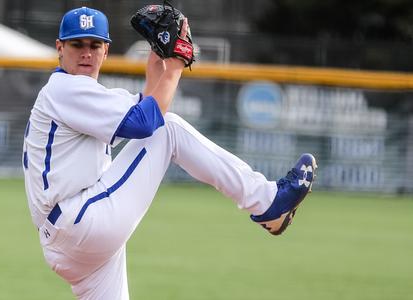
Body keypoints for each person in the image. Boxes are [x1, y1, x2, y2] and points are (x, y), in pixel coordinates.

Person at [22, 6, 317, 299]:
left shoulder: (82, 95)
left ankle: (269, 207)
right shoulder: (64, 89)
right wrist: (176, 63)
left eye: (94, 44)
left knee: (162, 127)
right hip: (79, 223)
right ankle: (267, 201)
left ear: (106, 50)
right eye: (77, 44)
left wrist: (158, 59)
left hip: (72, 238)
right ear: (60, 48)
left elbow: (146, 108)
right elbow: (147, 122)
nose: (86, 52)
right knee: (169, 130)